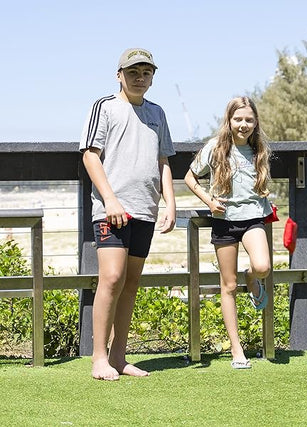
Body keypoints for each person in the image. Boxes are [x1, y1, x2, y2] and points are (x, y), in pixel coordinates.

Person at [80, 48, 176, 380]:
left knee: (131, 282)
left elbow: (164, 161)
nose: (140, 78)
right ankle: (98, 358)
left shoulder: (158, 113)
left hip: (145, 210)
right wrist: (110, 200)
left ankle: (120, 358)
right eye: (133, 72)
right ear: (119, 74)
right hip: (111, 210)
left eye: (146, 72)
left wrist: (170, 203)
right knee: (110, 278)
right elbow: (91, 156)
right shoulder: (105, 107)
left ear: (152, 77)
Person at [184, 96, 272, 369]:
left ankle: (252, 278)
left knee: (263, 266)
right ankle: (237, 349)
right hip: (224, 222)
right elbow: (190, 177)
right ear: (229, 121)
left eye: (248, 119)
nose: (243, 125)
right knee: (229, 286)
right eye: (238, 119)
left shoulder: (259, 149)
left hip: (253, 219)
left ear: (255, 122)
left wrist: (265, 195)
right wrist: (209, 201)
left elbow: (258, 183)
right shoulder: (215, 147)